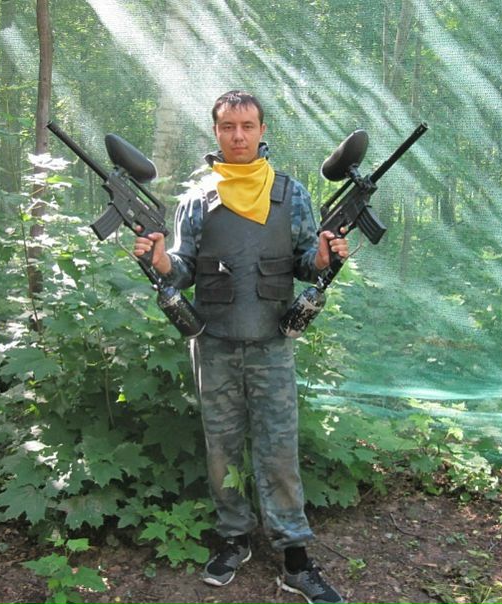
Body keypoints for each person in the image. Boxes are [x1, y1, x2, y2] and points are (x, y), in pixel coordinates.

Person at [134, 90, 347, 604]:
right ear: (216, 131)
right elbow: (181, 270)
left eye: (247, 126)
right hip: (215, 346)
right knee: (222, 448)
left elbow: (306, 263)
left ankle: (294, 557)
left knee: (279, 449)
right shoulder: (197, 199)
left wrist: (323, 258)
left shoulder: (290, 194)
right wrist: (160, 262)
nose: (238, 136)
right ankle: (234, 538)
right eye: (228, 126)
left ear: (261, 130)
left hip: (272, 344)